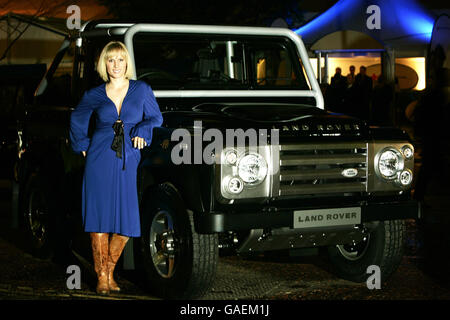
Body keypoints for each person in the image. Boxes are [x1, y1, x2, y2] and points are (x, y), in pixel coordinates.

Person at [69, 41, 163, 295]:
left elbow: (156, 117)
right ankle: (103, 277)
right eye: (111, 60)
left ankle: (110, 271)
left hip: (128, 158)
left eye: (120, 60)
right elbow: (77, 118)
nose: (116, 65)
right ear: (104, 64)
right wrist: (82, 144)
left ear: (127, 63)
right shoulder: (94, 94)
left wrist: (143, 130)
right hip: (99, 157)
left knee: (126, 222)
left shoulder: (141, 90)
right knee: (98, 217)